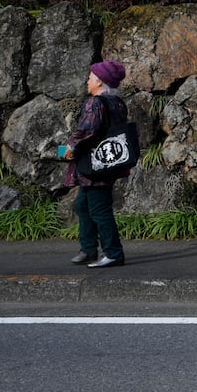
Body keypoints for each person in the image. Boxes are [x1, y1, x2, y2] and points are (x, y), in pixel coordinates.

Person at [64, 60, 130, 268]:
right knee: (83, 205)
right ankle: (89, 249)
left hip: (95, 167)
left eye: (91, 77)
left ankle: (113, 253)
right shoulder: (117, 103)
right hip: (110, 162)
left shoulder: (95, 103)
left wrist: (71, 147)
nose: (87, 80)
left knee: (100, 210)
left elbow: (87, 130)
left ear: (99, 81)